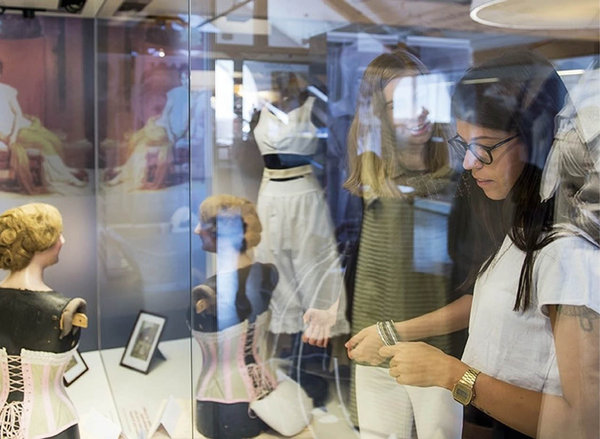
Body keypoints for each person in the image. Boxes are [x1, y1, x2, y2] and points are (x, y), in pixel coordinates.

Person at [348, 50, 599, 438]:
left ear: (536, 140)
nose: (469, 163)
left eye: (485, 147)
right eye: (464, 144)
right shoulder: (521, 228)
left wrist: (452, 374)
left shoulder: (566, 252)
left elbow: (585, 424)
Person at [343, 50, 463, 438]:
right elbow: (363, 260)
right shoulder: (371, 179)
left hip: (438, 346)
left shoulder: (463, 178)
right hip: (374, 340)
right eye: (403, 104)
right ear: (379, 115)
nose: (420, 112)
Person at [191, 194, 279, 439]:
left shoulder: (205, 294)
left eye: (202, 223)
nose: (196, 230)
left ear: (220, 233)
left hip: (220, 406)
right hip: (264, 391)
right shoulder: (268, 273)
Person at [0, 203, 87, 439]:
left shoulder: (64, 309)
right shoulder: (64, 310)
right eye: (57, 235)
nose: (63, 241)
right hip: (55, 430)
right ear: (39, 243)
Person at [0, 61, 87, 195]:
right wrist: (10, 137)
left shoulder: (6, 90)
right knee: (44, 144)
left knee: (53, 139)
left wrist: (15, 132)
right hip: (8, 133)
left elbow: (17, 113)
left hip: (19, 128)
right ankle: (65, 178)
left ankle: (65, 172)